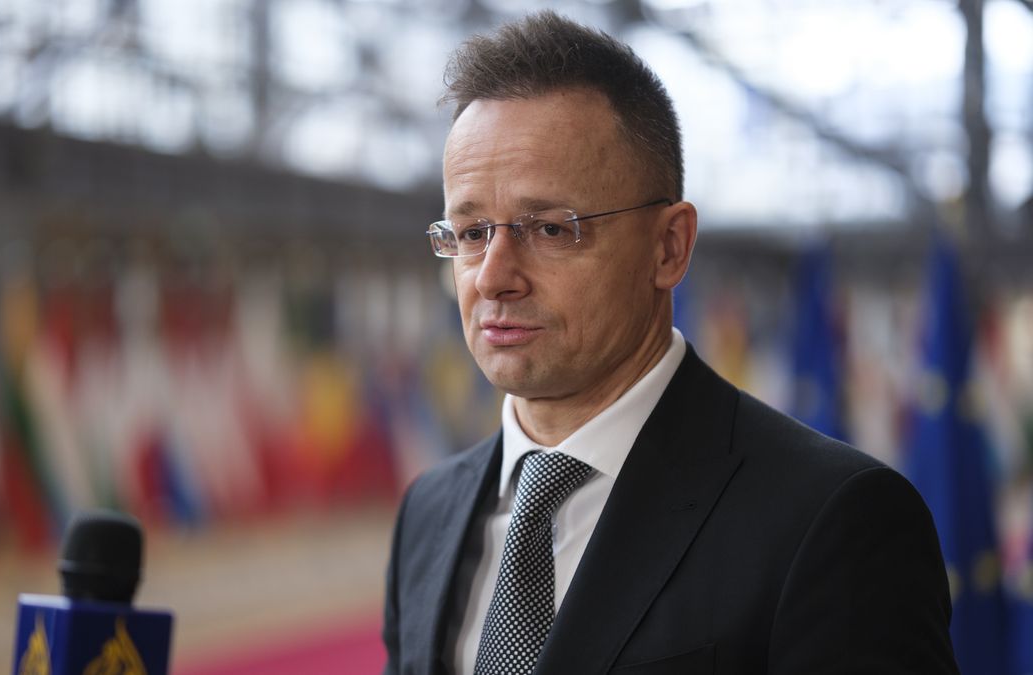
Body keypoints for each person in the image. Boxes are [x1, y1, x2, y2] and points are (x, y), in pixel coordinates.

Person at [382, 11, 957, 675]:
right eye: (472, 231)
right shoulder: (427, 514)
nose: (494, 276)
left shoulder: (835, 522)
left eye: (548, 229)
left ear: (669, 246)